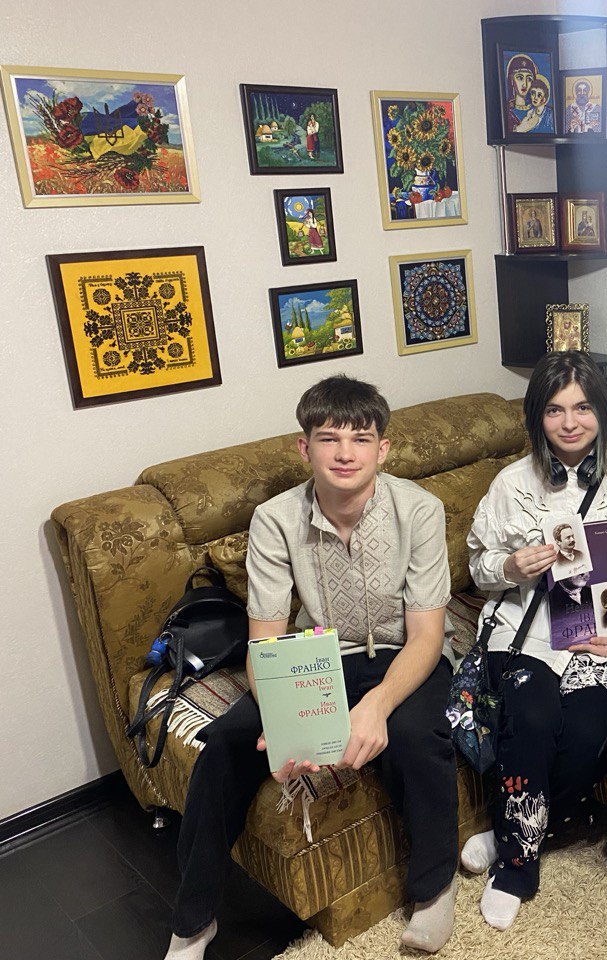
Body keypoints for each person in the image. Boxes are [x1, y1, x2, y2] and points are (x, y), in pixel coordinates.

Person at [162, 376, 458, 960]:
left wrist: (375, 707)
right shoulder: (275, 519)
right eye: (329, 439)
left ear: (383, 449)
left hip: (404, 653)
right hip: (316, 656)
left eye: (361, 439)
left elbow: (427, 636)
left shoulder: (420, 509)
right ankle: (193, 922)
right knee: (226, 744)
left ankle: (434, 888)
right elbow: (265, 641)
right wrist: (285, 721)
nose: (345, 453)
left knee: (415, 736)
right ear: (305, 448)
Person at [463, 351, 607, 931]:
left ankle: (514, 832)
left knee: (586, 735)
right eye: (554, 410)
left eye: (582, 407)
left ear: (603, 410)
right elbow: (478, 566)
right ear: (537, 416)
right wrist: (511, 565)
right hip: (527, 633)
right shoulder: (511, 483)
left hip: (601, 635)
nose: (570, 422)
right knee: (531, 718)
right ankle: (516, 869)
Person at [505, 54, 537, 131]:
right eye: (520, 78)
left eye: (529, 79)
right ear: (512, 80)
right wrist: (519, 129)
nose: (524, 84)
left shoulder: (540, 110)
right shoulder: (505, 112)